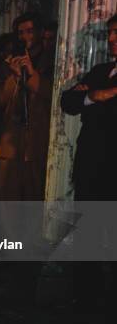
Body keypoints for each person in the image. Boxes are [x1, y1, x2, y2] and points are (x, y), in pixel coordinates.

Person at [0, 12, 53, 200]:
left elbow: (51, 94)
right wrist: (15, 76)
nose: (25, 36)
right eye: (20, 32)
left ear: (40, 32)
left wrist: (31, 72)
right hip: (10, 145)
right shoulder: (8, 63)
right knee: (8, 201)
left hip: (37, 143)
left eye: (29, 31)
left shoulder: (52, 60)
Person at [61, 13, 117, 200]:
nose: (110, 39)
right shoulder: (100, 71)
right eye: (109, 33)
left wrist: (108, 93)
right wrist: (91, 96)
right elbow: (68, 103)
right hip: (87, 167)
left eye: (116, 33)